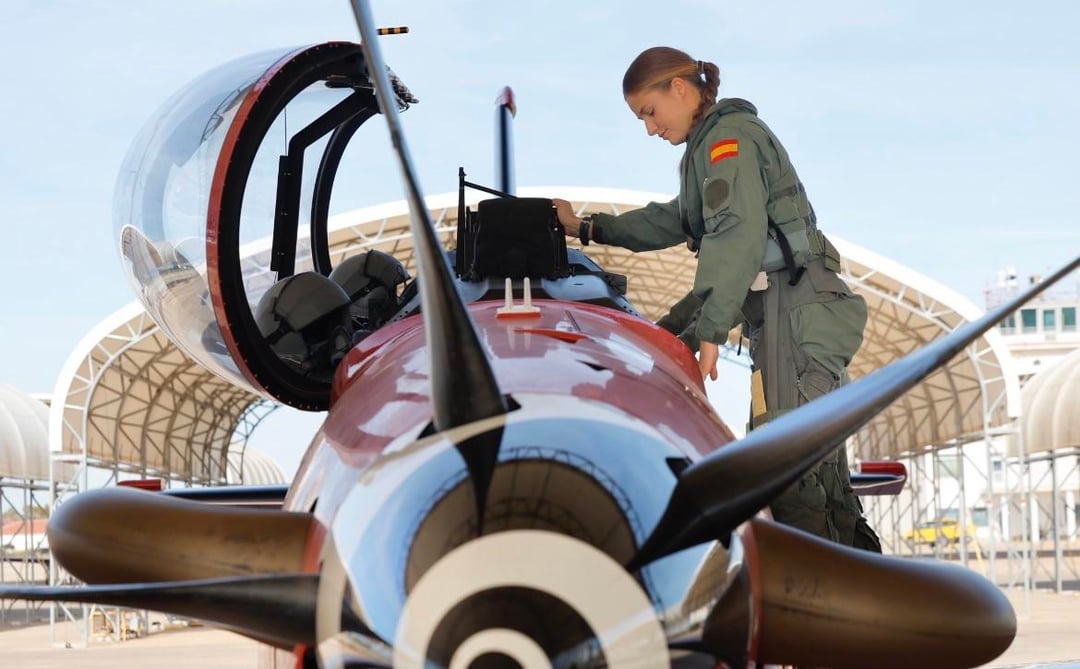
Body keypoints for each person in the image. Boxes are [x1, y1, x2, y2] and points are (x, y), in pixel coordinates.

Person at [553, 46, 880, 551]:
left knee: (787, 473)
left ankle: (815, 604)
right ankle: (857, 591)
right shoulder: (705, 151)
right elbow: (672, 219)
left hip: (794, 312)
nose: (649, 128)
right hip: (786, 315)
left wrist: (708, 332)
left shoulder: (728, 140)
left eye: (649, 112)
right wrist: (586, 226)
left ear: (679, 89)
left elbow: (736, 236)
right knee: (815, 476)